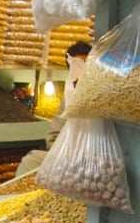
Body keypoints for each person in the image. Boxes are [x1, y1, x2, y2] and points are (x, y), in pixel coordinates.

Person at [15, 41, 92, 176]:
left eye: (85, 66)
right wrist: (61, 154)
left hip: (95, 159)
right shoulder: (70, 95)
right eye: (77, 67)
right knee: (30, 161)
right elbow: (54, 134)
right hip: (68, 157)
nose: (81, 71)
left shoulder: (102, 95)